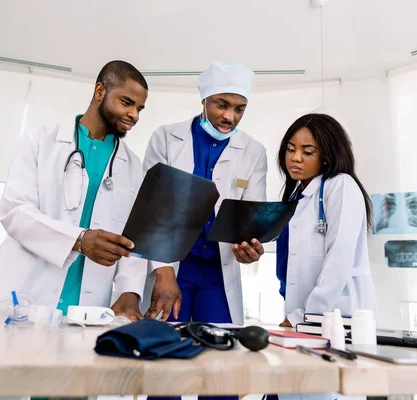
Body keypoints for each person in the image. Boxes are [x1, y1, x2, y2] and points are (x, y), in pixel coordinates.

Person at [0, 60, 150, 322]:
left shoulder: (133, 167)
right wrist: (79, 240)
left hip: (88, 305)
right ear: (100, 91)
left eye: (139, 108)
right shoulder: (40, 140)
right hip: (24, 294)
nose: (134, 115)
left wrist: (129, 291)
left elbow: (133, 239)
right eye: (126, 103)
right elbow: (15, 210)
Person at [141, 61, 268, 330]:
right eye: (221, 105)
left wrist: (251, 248)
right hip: (173, 268)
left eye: (239, 109)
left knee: (220, 352)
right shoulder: (166, 137)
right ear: (204, 99)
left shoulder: (253, 151)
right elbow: (150, 210)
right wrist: (163, 271)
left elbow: (252, 215)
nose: (229, 117)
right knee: (165, 343)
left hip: (218, 273)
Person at [267, 113, 377, 400]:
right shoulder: (299, 196)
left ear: (327, 154)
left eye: (307, 151)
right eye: (290, 149)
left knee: (326, 392)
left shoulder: (340, 185)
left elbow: (338, 260)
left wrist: (303, 317)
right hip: (305, 317)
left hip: (333, 316)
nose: (295, 158)